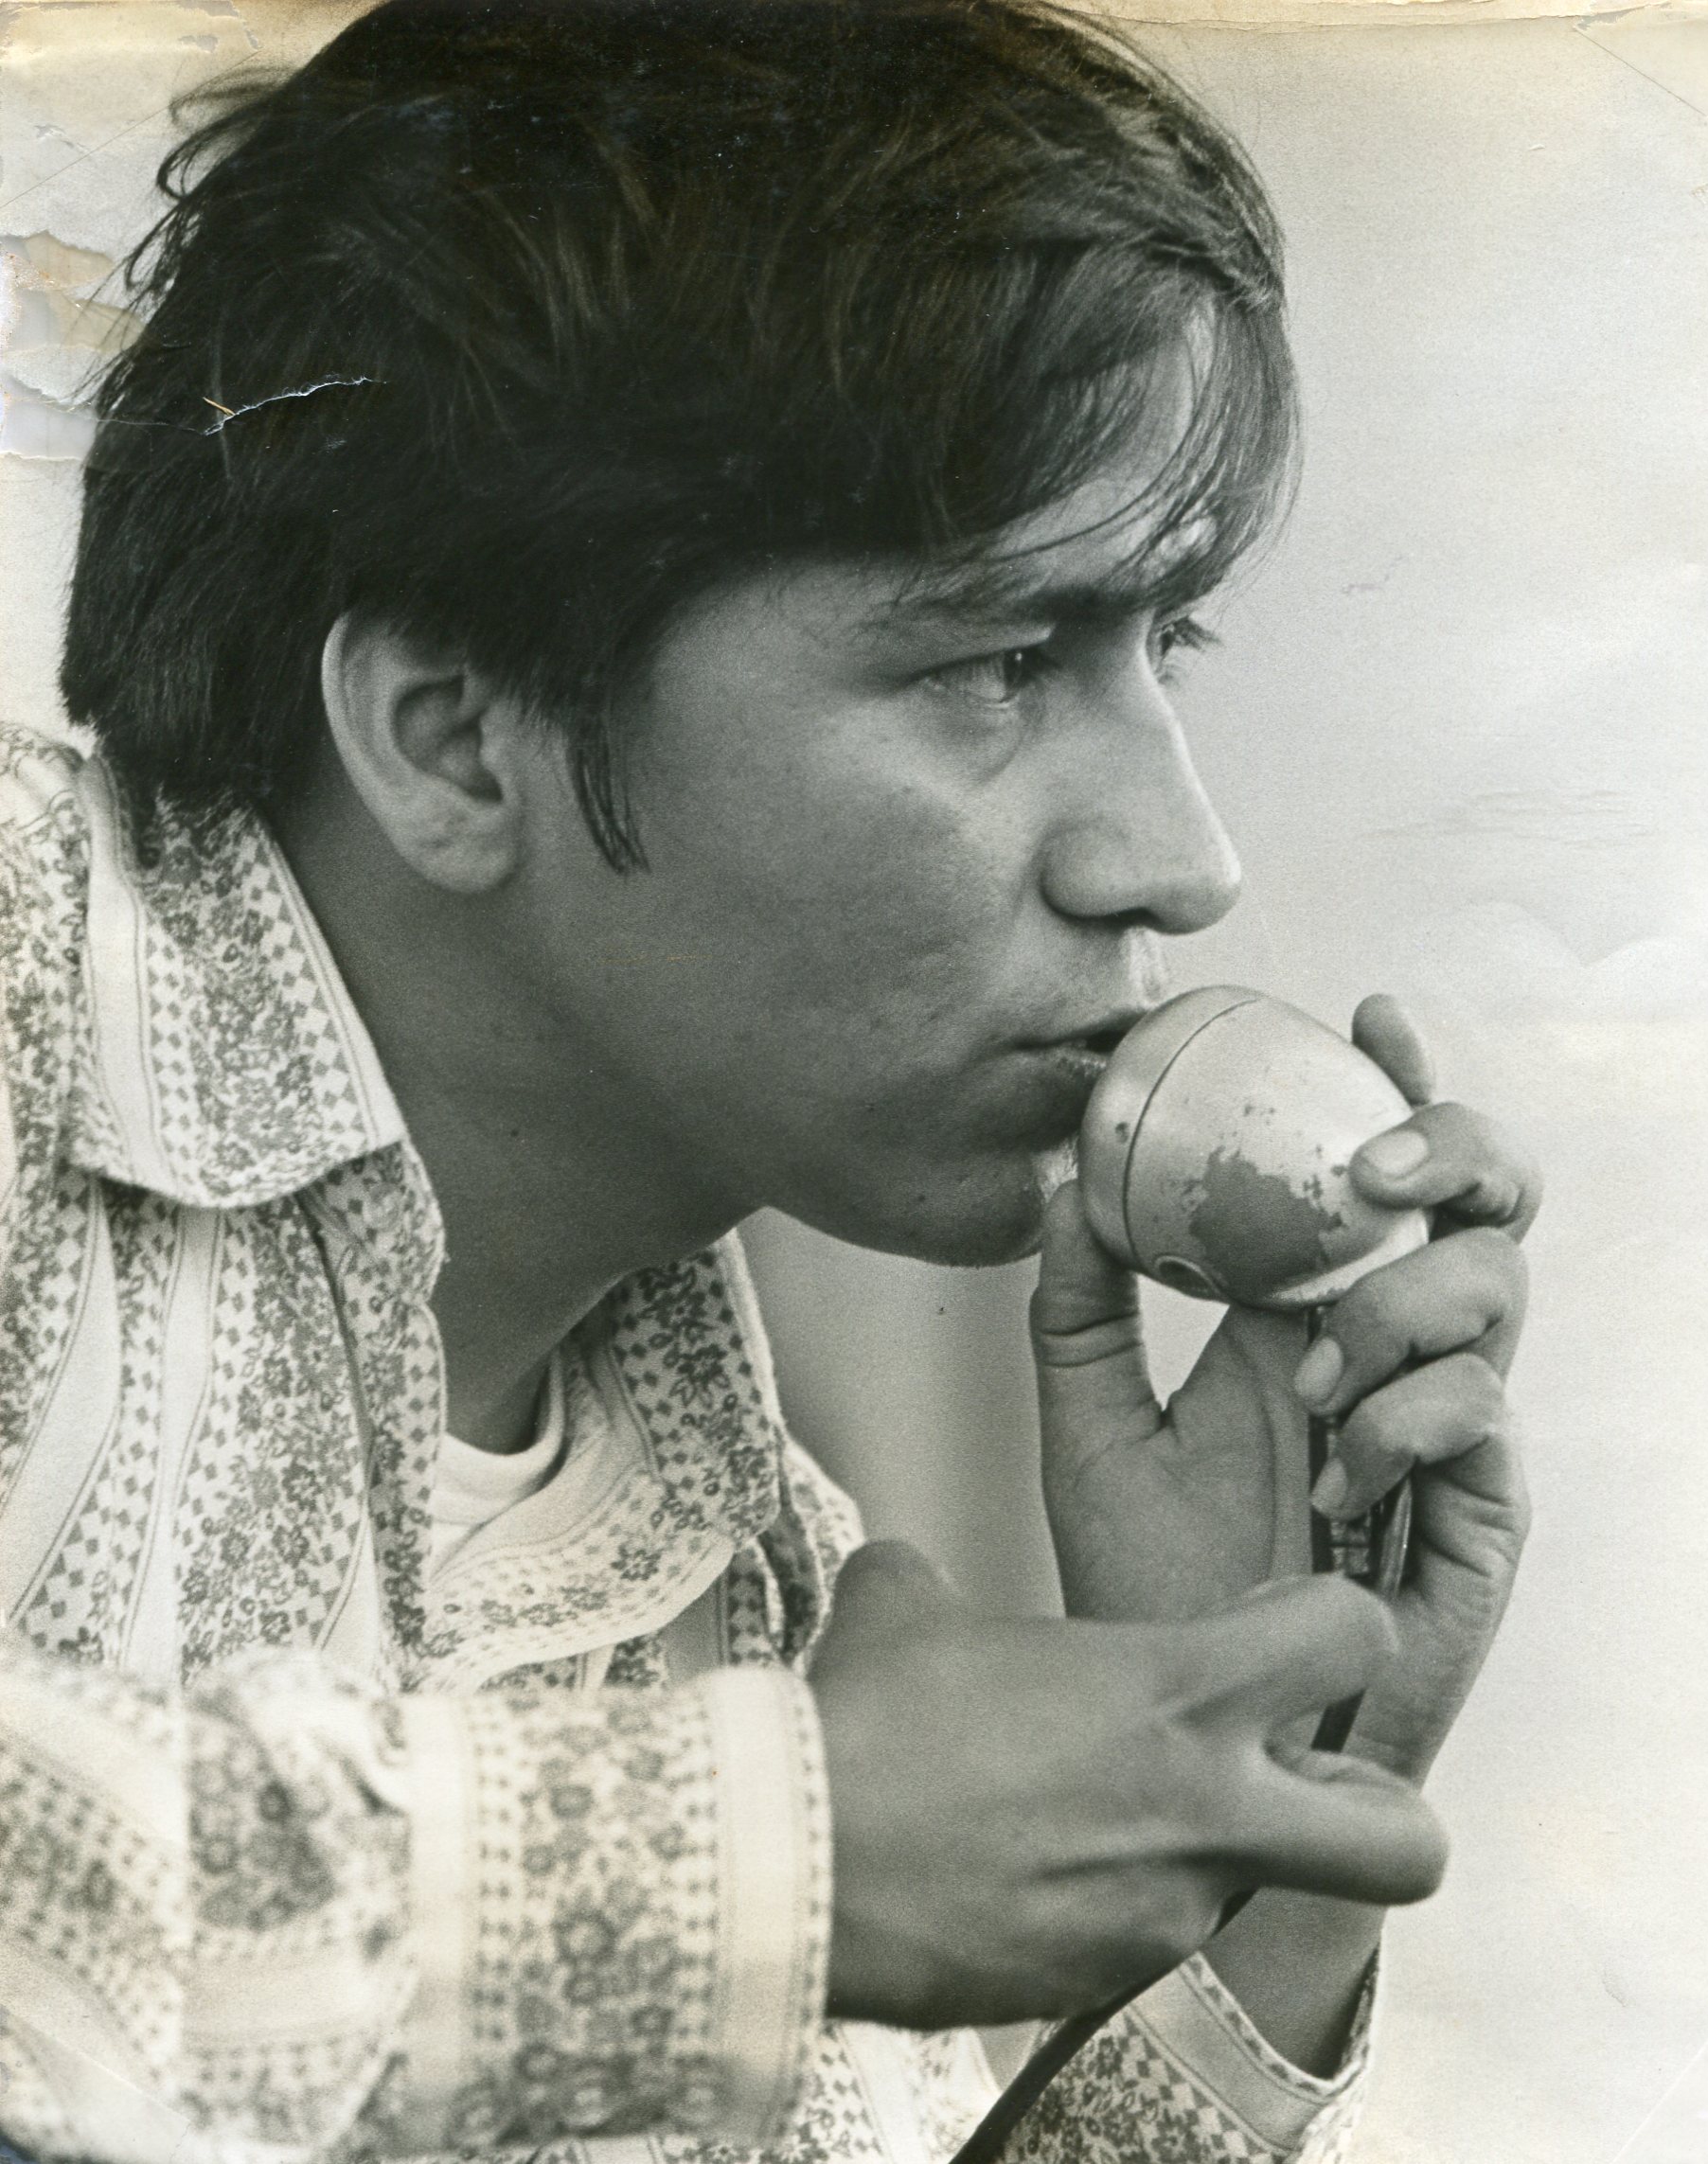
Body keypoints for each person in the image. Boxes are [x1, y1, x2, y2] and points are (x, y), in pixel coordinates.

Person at [0, 3, 1540, 2159]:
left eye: (1155, 650)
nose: (1180, 861)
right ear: (455, 730)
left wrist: (1246, 1867)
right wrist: (756, 1864)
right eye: (1000, 661)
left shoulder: (750, 1560)